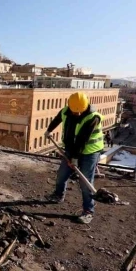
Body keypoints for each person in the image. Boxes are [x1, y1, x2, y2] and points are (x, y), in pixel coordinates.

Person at [45, 92, 104, 224]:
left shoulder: (92, 117)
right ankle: (58, 195)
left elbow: (82, 140)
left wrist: (75, 159)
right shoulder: (67, 110)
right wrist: (49, 130)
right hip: (71, 150)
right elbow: (57, 118)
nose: (77, 114)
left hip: (89, 152)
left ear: (85, 106)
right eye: (74, 111)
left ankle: (88, 211)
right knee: (61, 175)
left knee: (85, 182)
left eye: (79, 111)